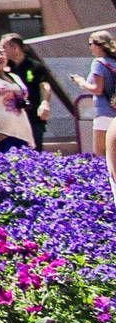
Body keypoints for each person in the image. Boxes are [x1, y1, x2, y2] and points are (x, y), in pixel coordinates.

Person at [69, 29, 116, 199]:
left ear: (98, 45)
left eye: (90, 44)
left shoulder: (99, 63)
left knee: (102, 156)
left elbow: (97, 88)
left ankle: (104, 191)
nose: (90, 48)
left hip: (105, 114)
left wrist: (80, 82)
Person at [2, 32, 65, 150]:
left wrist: (45, 102)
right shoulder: (4, 69)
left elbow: (44, 85)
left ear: (15, 47)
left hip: (33, 116)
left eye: (4, 47)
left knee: (34, 148)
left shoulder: (35, 66)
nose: (2, 51)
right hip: (11, 117)